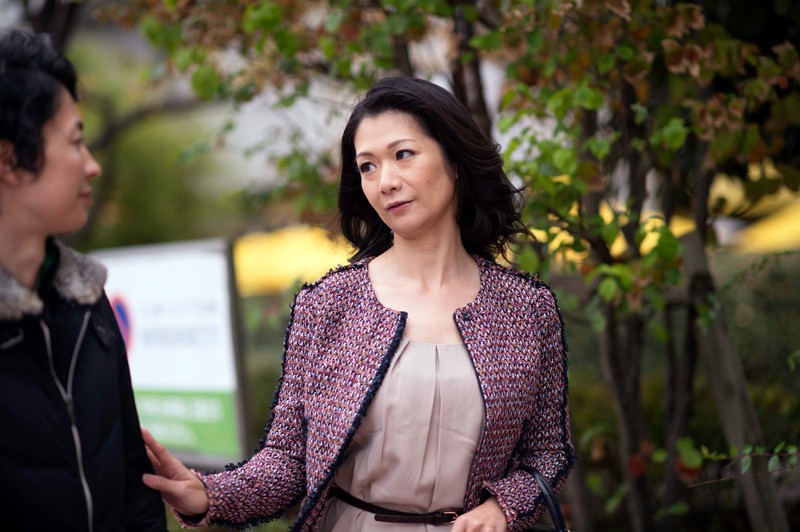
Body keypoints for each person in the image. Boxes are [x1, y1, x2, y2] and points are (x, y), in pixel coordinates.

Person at [142, 76, 576, 531]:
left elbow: (548, 452)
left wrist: (504, 507)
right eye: (368, 166)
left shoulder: (526, 309)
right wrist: (208, 494)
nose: (385, 182)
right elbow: (288, 460)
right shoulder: (328, 303)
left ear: (454, 162)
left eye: (403, 155)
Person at [0, 29, 167, 531]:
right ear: (9, 161)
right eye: (75, 142)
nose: (92, 166)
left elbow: (133, 483)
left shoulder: (85, 298)